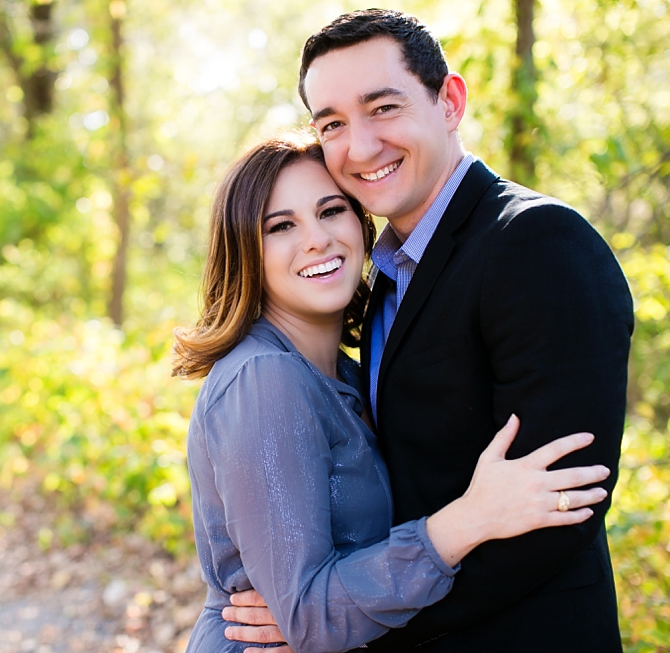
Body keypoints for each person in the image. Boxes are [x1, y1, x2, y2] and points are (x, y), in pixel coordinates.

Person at [221, 9, 634, 653]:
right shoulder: (382, 275)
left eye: (383, 107)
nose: (359, 147)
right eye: (332, 124)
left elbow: (559, 509)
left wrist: (351, 619)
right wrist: (330, 608)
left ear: (450, 101)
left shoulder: (537, 242)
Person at [173, 134, 611, 653]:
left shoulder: (348, 374)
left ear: (361, 226)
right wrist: (469, 519)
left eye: (331, 210)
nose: (316, 239)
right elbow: (307, 620)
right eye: (282, 226)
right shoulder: (265, 378)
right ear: (245, 250)